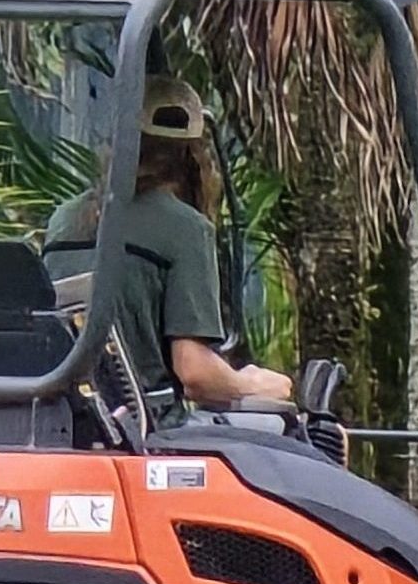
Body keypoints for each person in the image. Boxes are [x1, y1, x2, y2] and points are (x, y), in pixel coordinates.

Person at [41, 76, 291, 420]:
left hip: (68, 418)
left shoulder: (62, 220)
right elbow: (195, 375)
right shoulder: (185, 228)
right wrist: (252, 384)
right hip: (149, 428)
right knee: (312, 434)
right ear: (196, 155)